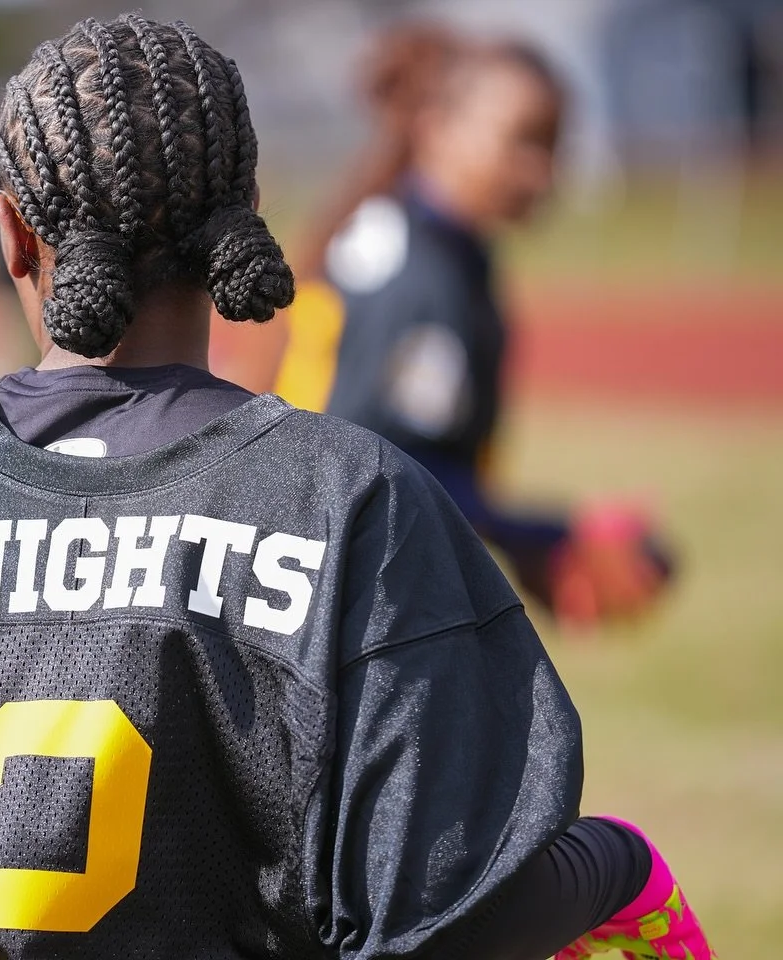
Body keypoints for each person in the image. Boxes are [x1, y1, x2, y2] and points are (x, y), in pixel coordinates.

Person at [0, 16, 715, 960]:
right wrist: (617, 866)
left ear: (10, 230)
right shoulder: (357, 503)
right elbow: (444, 915)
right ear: (243, 215)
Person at [275, 32, 672, 629]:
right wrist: (540, 534)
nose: (542, 171)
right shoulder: (415, 274)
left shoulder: (447, 253)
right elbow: (367, 463)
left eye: (554, 146)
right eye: (524, 142)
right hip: (329, 595)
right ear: (438, 130)